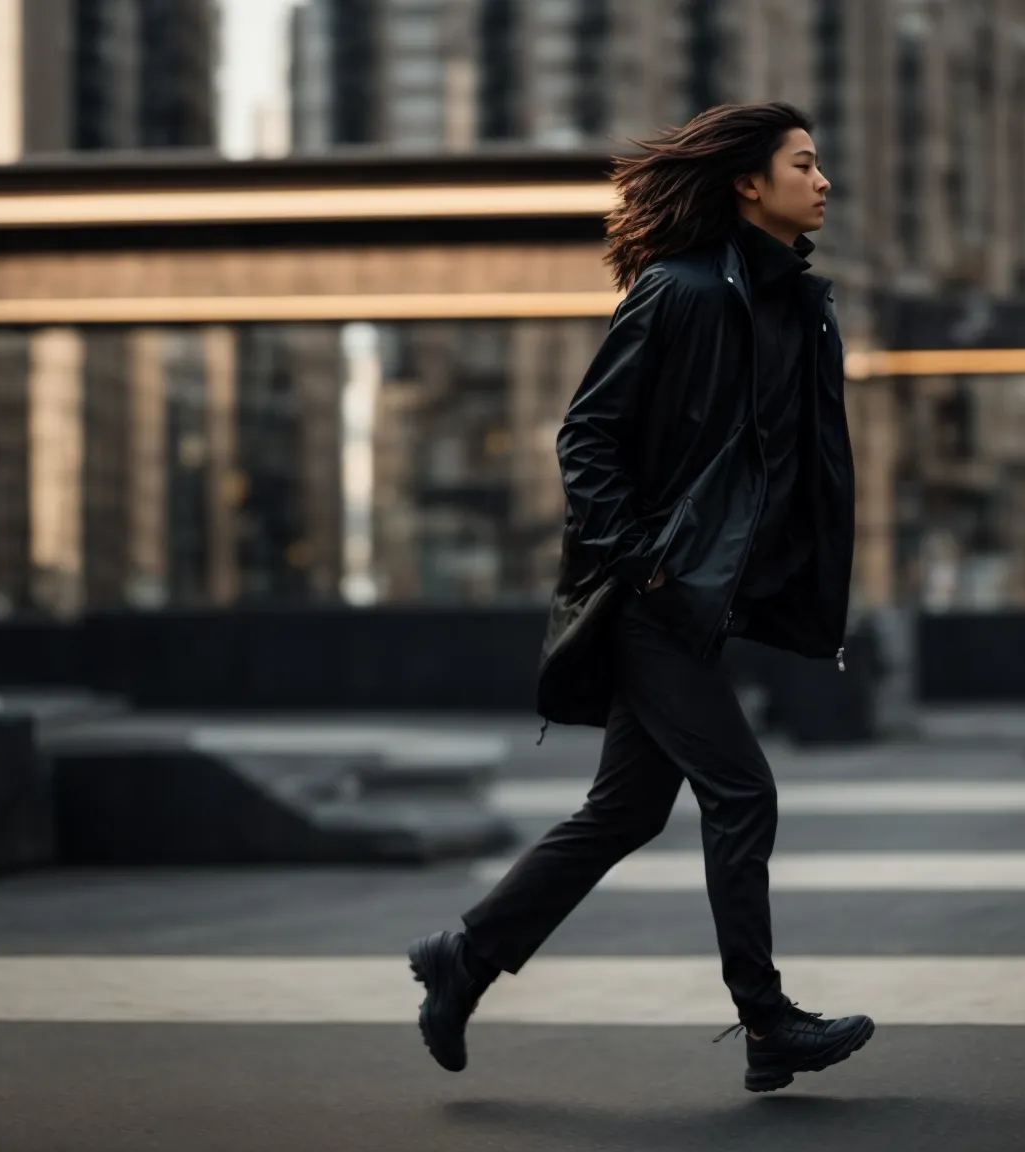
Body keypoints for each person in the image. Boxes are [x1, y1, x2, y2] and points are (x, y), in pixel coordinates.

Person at [407, 101, 873, 1094]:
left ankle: (466, 957)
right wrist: (641, 563)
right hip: (654, 601)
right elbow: (586, 435)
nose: (823, 180)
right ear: (749, 183)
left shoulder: (794, 304)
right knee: (741, 792)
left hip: (699, 601)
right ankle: (765, 1020)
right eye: (803, 163)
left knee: (623, 810)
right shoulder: (682, 291)